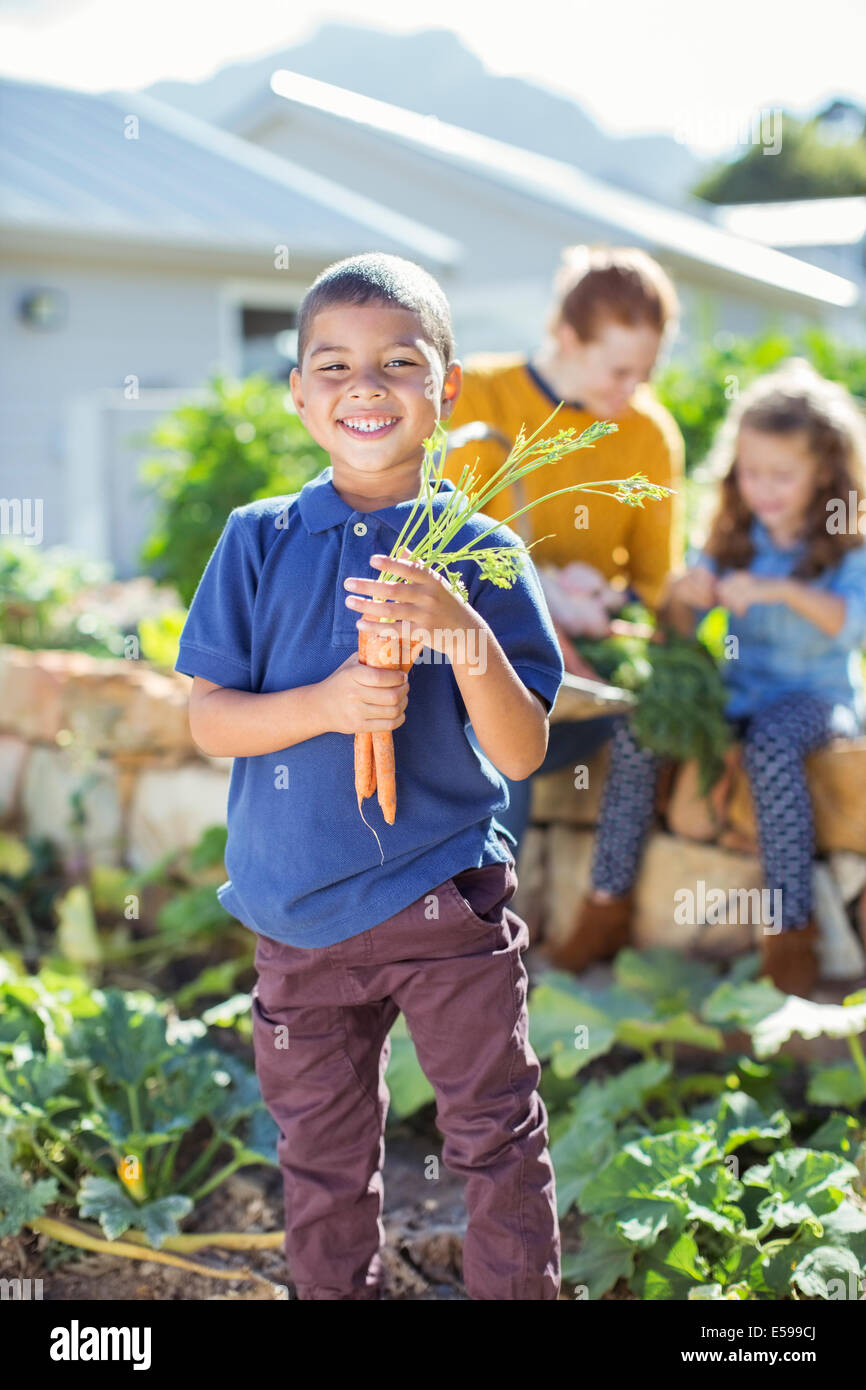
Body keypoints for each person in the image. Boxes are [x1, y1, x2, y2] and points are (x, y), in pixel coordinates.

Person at [174, 252, 566, 1300]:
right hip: (295, 915)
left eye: (398, 362)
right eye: (334, 364)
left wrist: (461, 630)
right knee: (322, 1161)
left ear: (444, 391)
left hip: (443, 900)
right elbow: (209, 719)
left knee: (492, 1135)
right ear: (298, 394)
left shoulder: (476, 549)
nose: (365, 385)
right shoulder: (257, 539)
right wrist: (330, 706)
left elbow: (523, 749)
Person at [557, 359, 866, 998]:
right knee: (642, 736)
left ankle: (790, 930)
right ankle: (605, 903)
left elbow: (850, 623)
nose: (764, 488)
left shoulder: (845, 538)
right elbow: (675, 620)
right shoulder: (735, 532)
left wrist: (779, 591)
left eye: (783, 475)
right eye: (752, 472)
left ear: (826, 472)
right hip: (736, 691)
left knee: (772, 747)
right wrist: (684, 595)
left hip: (816, 699)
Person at [441, 245, 685, 851]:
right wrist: (534, 584)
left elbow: (657, 580)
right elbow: (434, 535)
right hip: (468, 652)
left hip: (579, 671)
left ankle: (538, 922)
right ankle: (482, 926)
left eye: (646, 375)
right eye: (620, 372)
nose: (634, 393)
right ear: (568, 338)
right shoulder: (480, 397)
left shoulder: (649, 434)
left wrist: (606, 599)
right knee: (487, 734)